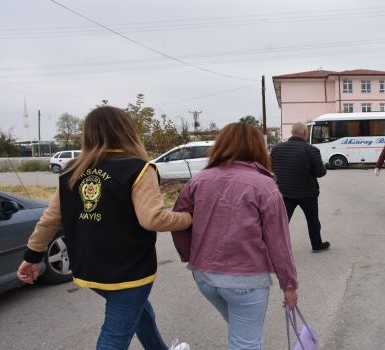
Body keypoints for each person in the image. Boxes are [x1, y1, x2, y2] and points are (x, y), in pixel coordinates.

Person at [17, 106, 192, 350]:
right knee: (114, 337)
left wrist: (32, 256)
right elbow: (153, 219)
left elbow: (50, 218)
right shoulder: (139, 168)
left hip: (88, 268)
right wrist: (188, 218)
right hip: (129, 270)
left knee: (139, 312)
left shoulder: (71, 170)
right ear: (127, 131)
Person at [171, 123, 299, 350]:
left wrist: (191, 256)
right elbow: (279, 242)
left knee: (243, 333)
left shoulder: (199, 180)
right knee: (246, 342)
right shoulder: (265, 185)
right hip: (245, 280)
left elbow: (179, 221)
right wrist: (288, 285)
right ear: (258, 147)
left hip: (204, 276)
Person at [270, 122, 330, 253]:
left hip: (284, 193)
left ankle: (276, 249)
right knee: (313, 220)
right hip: (307, 193)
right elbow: (320, 173)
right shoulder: (311, 150)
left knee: (282, 222)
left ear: (292, 132)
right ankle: (317, 245)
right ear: (304, 133)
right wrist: (324, 167)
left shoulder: (276, 149)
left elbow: (273, 169)